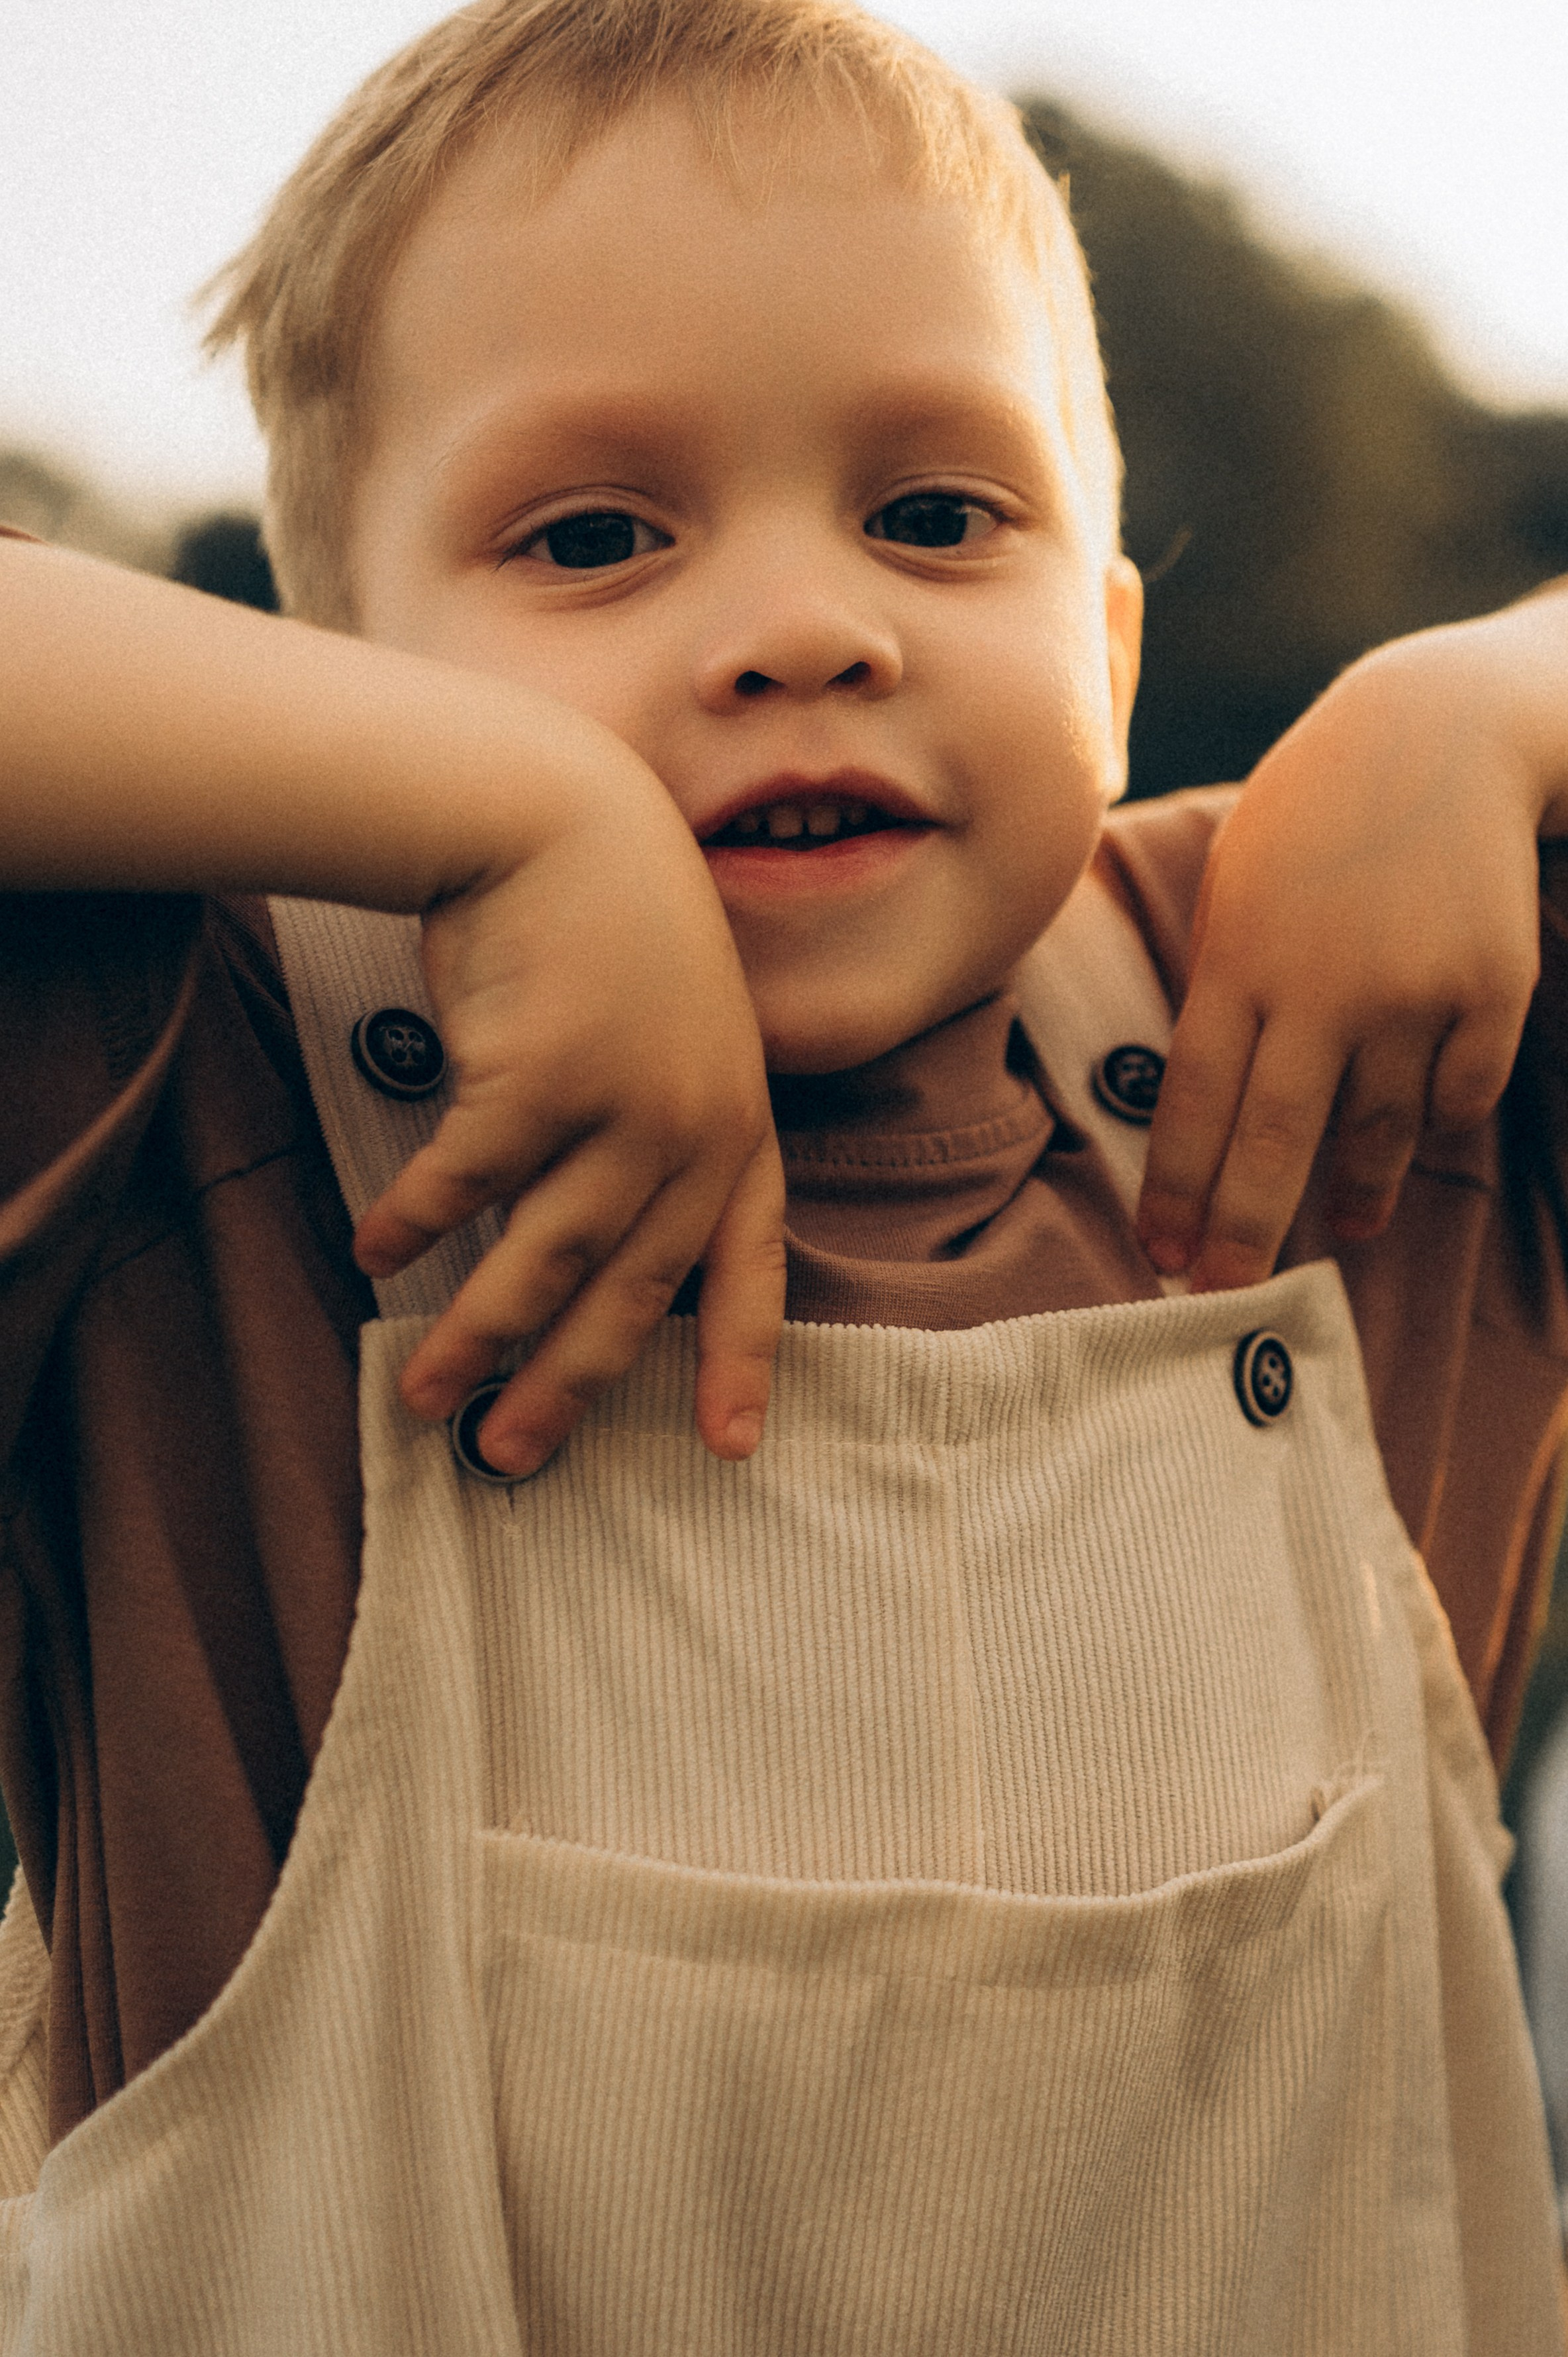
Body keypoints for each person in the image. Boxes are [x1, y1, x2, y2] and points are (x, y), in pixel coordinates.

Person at [1, 0, 1567, 2346]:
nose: (806, 630)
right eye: (595, 536)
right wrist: (495, 813)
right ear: (346, 681)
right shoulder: (201, 1092)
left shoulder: (1347, 1046)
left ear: (1111, 652)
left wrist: (1490, 706)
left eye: (938, 517)